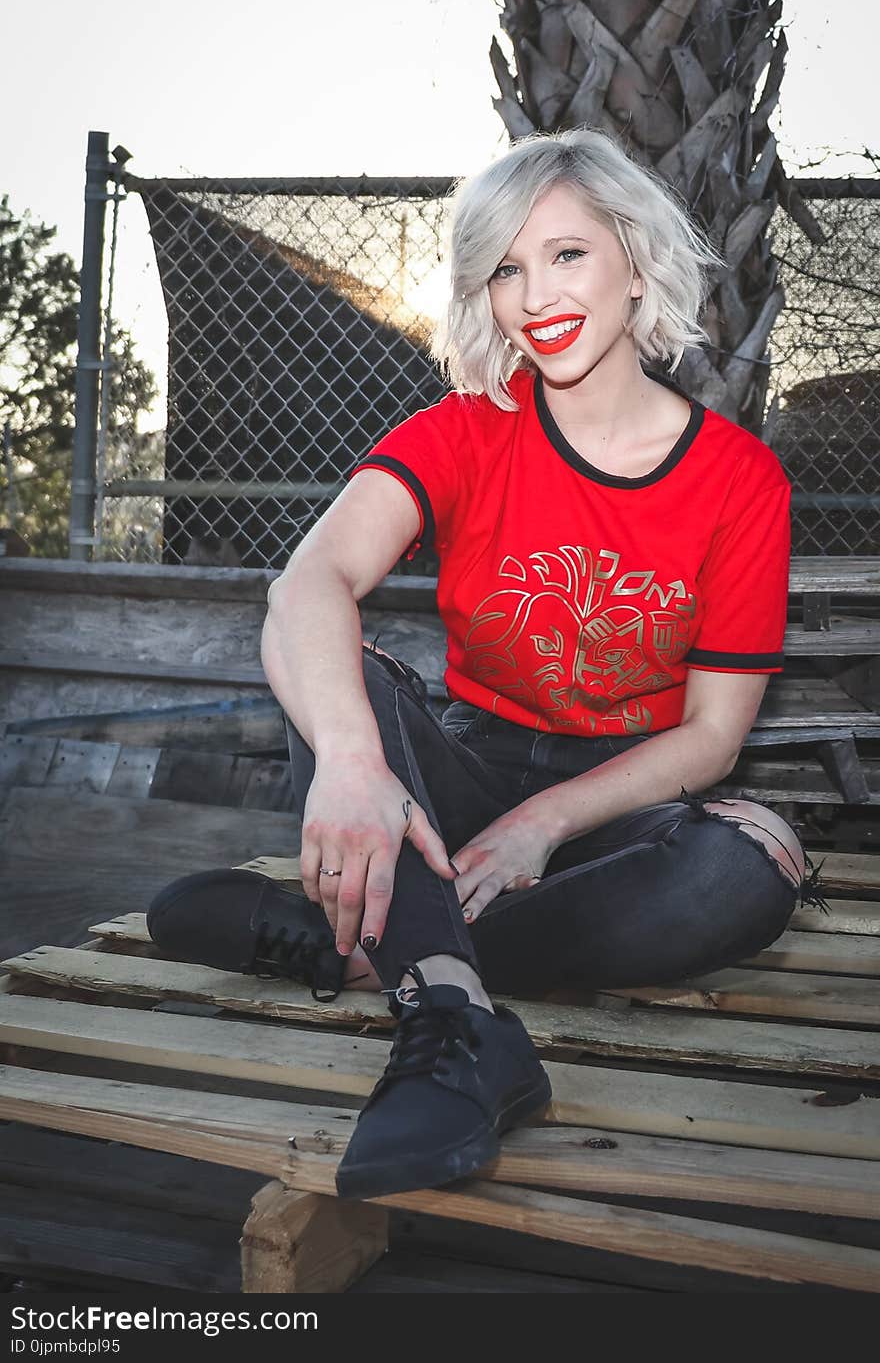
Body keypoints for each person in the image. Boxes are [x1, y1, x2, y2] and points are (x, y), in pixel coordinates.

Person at [148, 126, 822, 1203]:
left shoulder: (740, 480)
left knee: (751, 863)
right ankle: (456, 1017)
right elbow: (303, 587)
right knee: (337, 668)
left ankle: (374, 947)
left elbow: (710, 737)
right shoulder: (466, 430)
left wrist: (544, 823)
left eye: (565, 254)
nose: (531, 292)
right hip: (461, 777)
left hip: (622, 795)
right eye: (504, 266)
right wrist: (356, 768)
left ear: (635, 260)